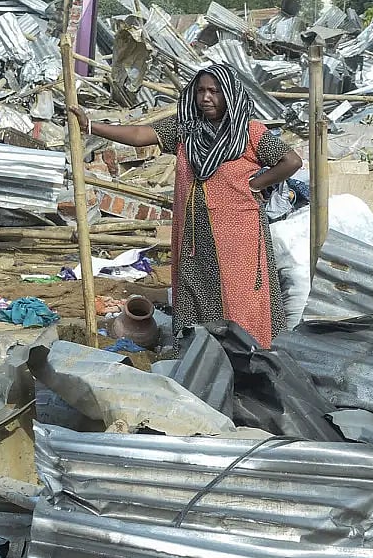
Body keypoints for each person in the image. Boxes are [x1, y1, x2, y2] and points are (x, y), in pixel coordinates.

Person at [69, 64, 303, 352]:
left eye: (214, 92)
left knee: (240, 293)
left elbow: (291, 161)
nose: (206, 98)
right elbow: (141, 135)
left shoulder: (249, 133)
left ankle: (248, 351)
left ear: (229, 95)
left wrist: (256, 184)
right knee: (197, 289)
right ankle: (202, 350)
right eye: (201, 91)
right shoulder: (185, 130)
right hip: (195, 231)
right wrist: (90, 126)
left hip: (239, 231)